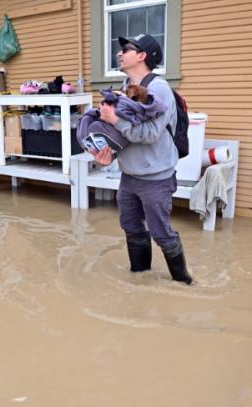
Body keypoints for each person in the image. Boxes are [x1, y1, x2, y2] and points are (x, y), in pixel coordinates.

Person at [90, 33, 192, 284]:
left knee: (161, 233)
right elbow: (121, 135)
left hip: (156, 177)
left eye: (126, 49)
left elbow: (149, 134)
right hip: (129, 175)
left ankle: (184, 283)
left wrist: (114, 119)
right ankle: (141, 279)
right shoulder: (126, 87)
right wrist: (107, 156)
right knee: (131, 227)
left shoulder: (159, 89)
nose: (120, 53)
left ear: (142, 55)